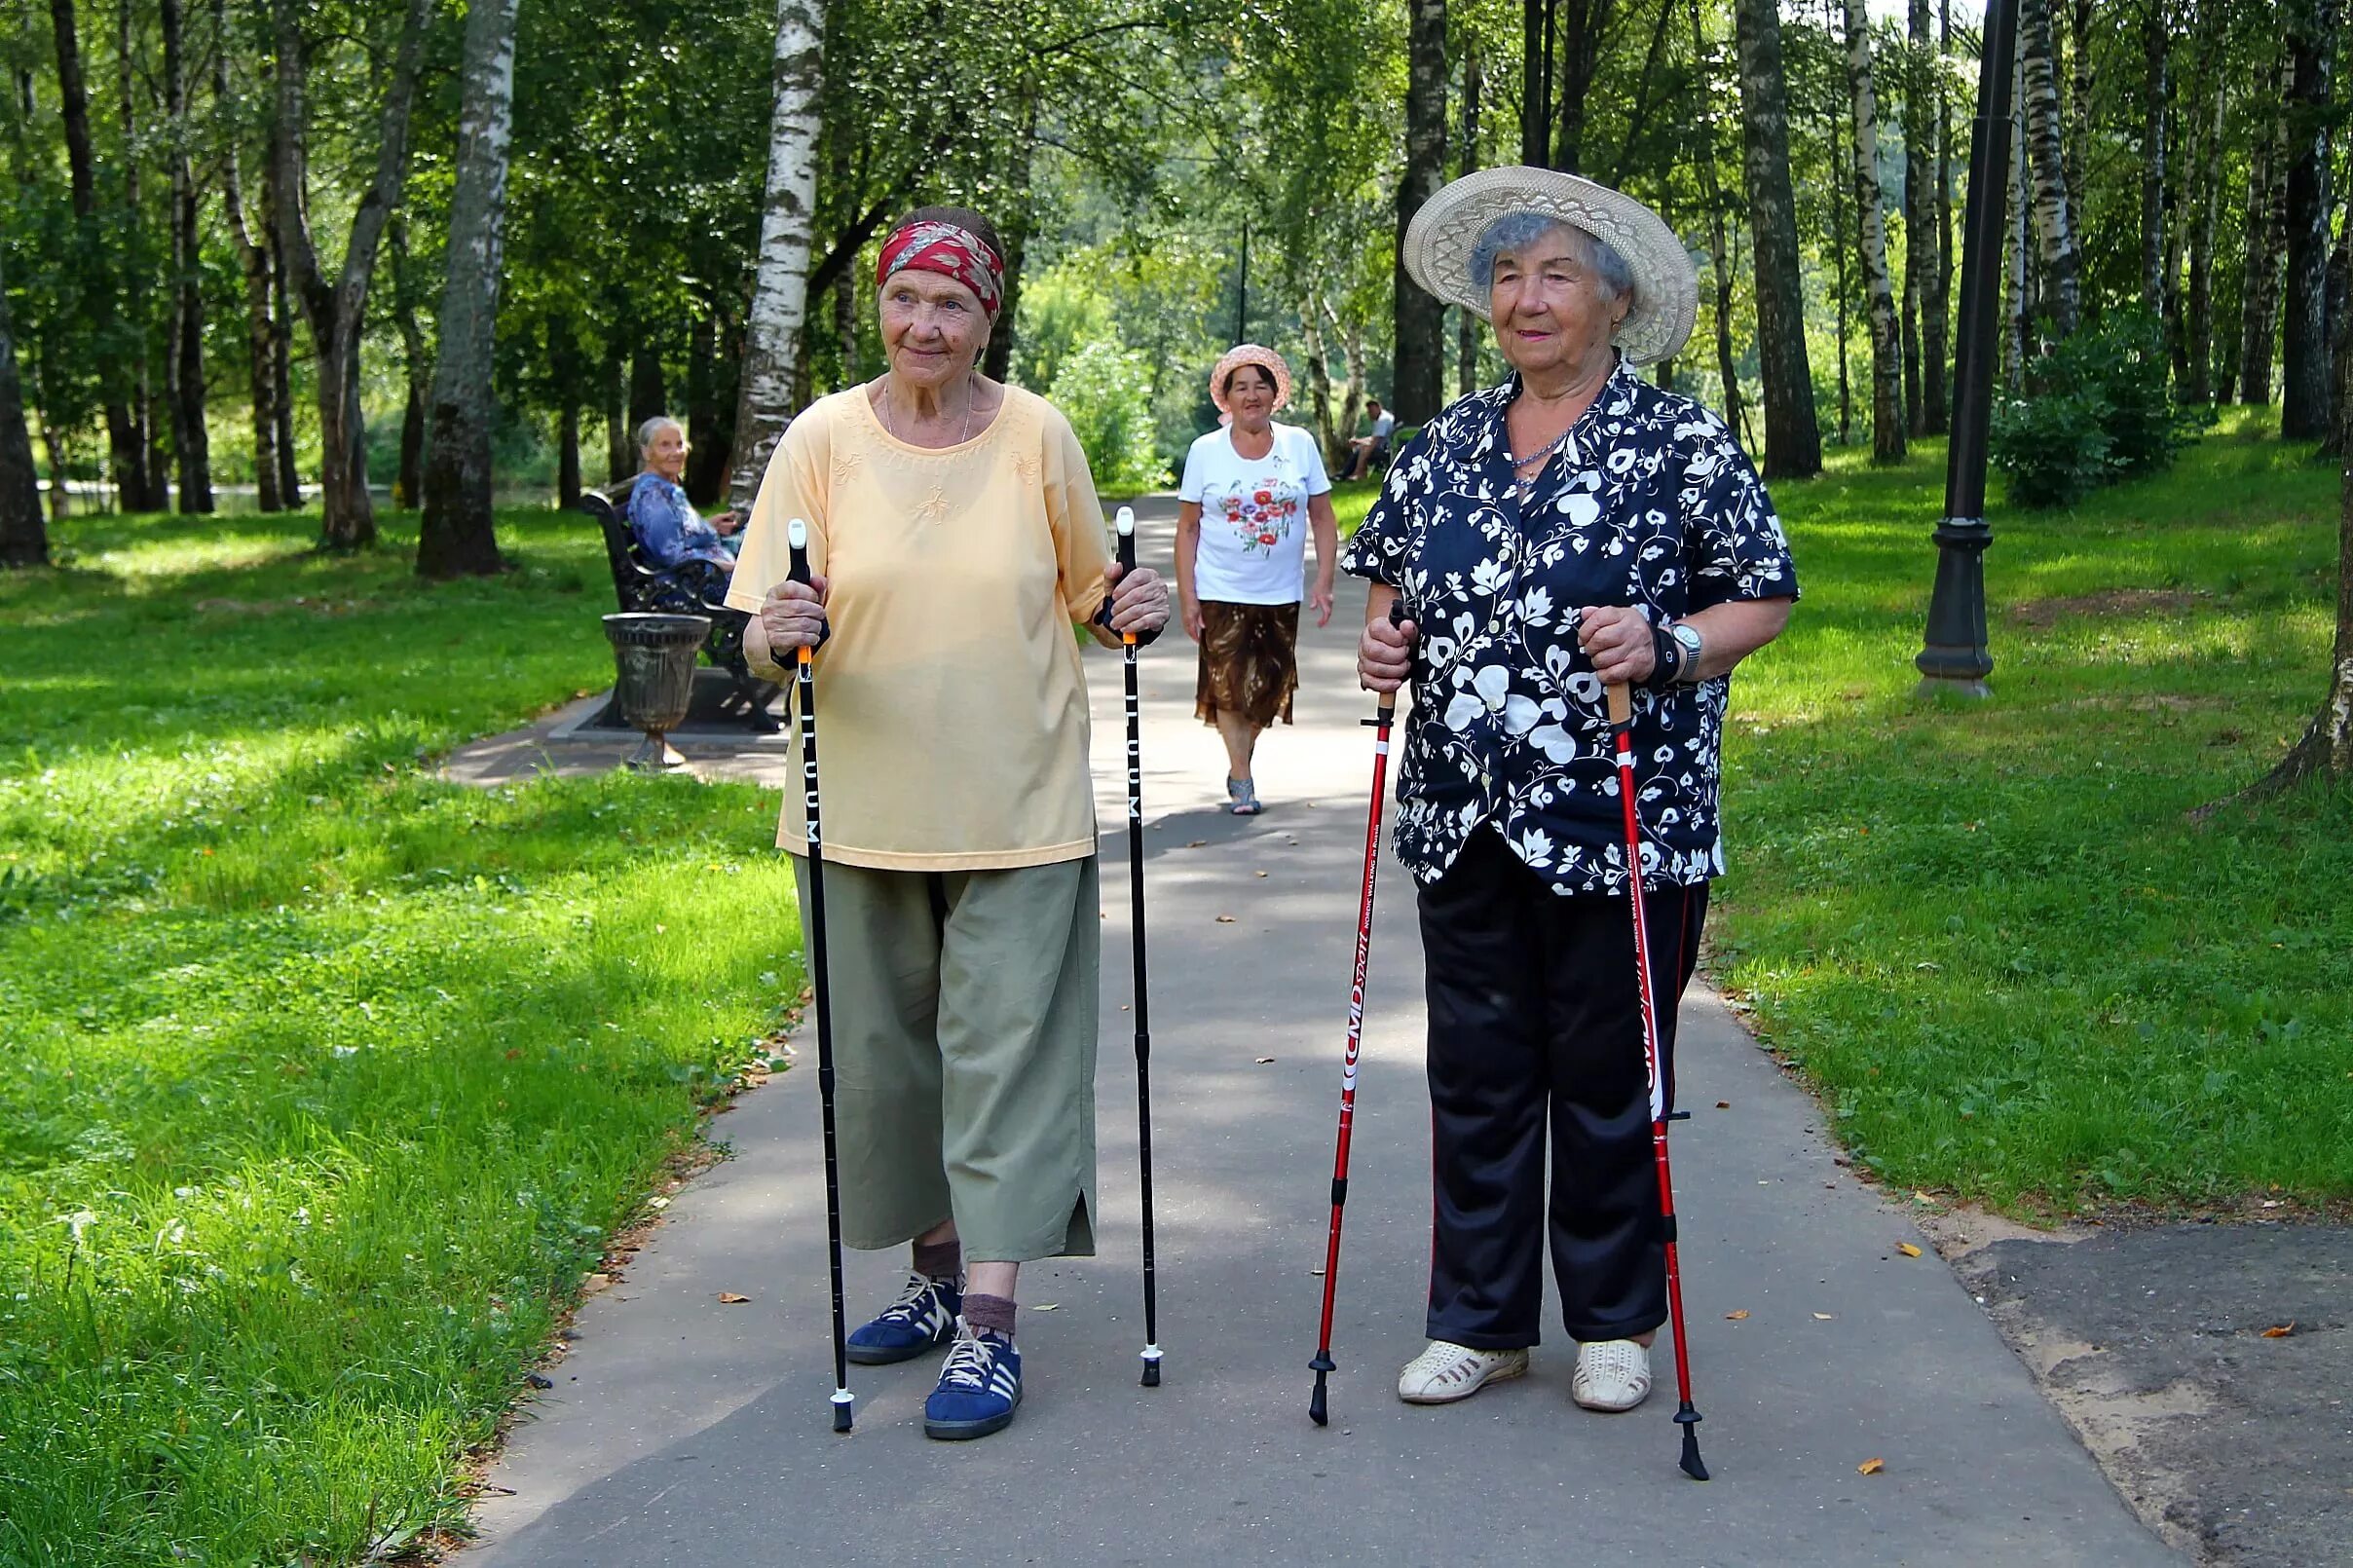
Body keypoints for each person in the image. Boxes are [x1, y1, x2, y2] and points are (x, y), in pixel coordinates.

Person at [1344, 166, 1798, 1417]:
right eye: (1505, 276)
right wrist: (1383, 647)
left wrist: (1671, 644)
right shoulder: (1441, 444)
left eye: (1552, 275)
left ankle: (1611, 1320)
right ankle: (1479, 1322)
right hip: (1462, 806)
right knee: (1477, 1069)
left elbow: (1760, 590)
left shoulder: (1678, 440)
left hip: (1622, 807)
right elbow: (1389, 587)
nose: (1524, 299)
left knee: (1609, 1067)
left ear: (1612, 301)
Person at [728, 205, 1171, 1442]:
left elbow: (1100, 596)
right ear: (877, 305)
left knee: (1008, 1059)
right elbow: (766, 623)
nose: (927, 324)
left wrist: (1136, 603)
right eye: (907, 299)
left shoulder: (1036, 434)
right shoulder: (821, 438)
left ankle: (989, 1322)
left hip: (1020, 804)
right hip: (857, 807)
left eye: (955, 304)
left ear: (989, 319)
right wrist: (779, 636)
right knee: (891, 1066)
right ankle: (930, 1275)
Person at [1175, 345, 1339, 815]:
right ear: (1226, 398)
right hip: (1219, 588)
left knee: (1267, 690)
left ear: (1274, 394)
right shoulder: (1205, 452)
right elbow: (1187, 529)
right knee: (1227, 685)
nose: (1251, 395)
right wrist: (1187, 597)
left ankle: (1240, 758)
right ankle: (1242, 776)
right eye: (1240, 386)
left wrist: (1324, 580)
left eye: (1259, 385)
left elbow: (1323, 517)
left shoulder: (1298, 445)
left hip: (1280, 590)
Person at [627, 416, 739, 580]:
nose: (677, 452)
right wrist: (734, 568)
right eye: (665, 445)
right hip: (691, 584)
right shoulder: (653, 497)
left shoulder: (665, 485)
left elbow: (675, 532)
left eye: (679, 444)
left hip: (709, 569)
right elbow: (673, 556)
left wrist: (708, 525)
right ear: (647, 452)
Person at [1339, 398, 1396, 480]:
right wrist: (1358, 441)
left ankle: (1358, 473)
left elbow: (1374, 441)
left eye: (1372, 411)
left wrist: (1362, 447)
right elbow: (1375, 437)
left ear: (1378, 408)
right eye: (1369, 412)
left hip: (1386, 449)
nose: (1370, 414)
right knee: (1361, 448)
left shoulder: (1383, 420)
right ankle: (1345, 473)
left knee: (1364, 448)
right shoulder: (1382, 418)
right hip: (1383, 445)